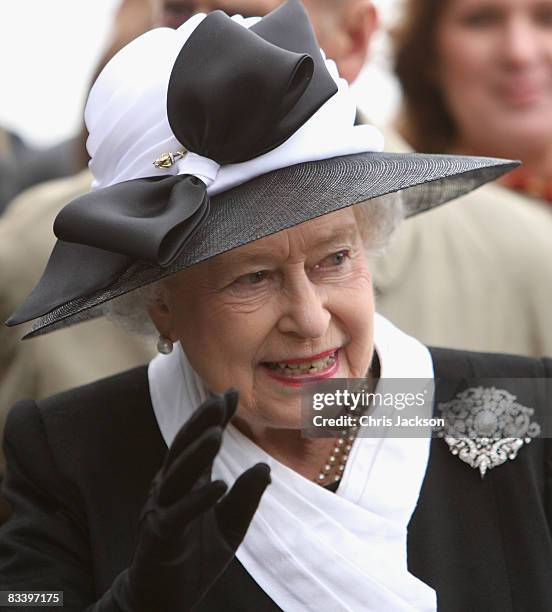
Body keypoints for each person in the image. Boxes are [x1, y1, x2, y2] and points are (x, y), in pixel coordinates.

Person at [0, 3, 550, 610]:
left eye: (334, 260)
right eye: (252, 277)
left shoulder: (524, 416)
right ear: (161, 305)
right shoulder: (69, 454)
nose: (310, 319)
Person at [368, 0, 552, 356]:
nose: (519, 52)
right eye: (481, 20)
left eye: (548, 18)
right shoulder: (375, 232)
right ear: (429, 55)